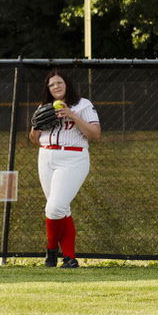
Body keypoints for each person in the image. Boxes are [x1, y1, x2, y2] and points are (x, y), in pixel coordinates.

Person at [29, 68, 100, 268]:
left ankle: (51, 250)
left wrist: (72, 116)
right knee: (62, 208)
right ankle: (69, 258)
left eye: (59, 82)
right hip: (46, 157)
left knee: (55, 207)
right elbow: (34, 139)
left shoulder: (83, 105)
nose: (55, 87)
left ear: (66, 84)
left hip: (73, 157)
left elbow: (95, 135)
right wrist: (36, 123)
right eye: (51, 84)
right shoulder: (44, 106)